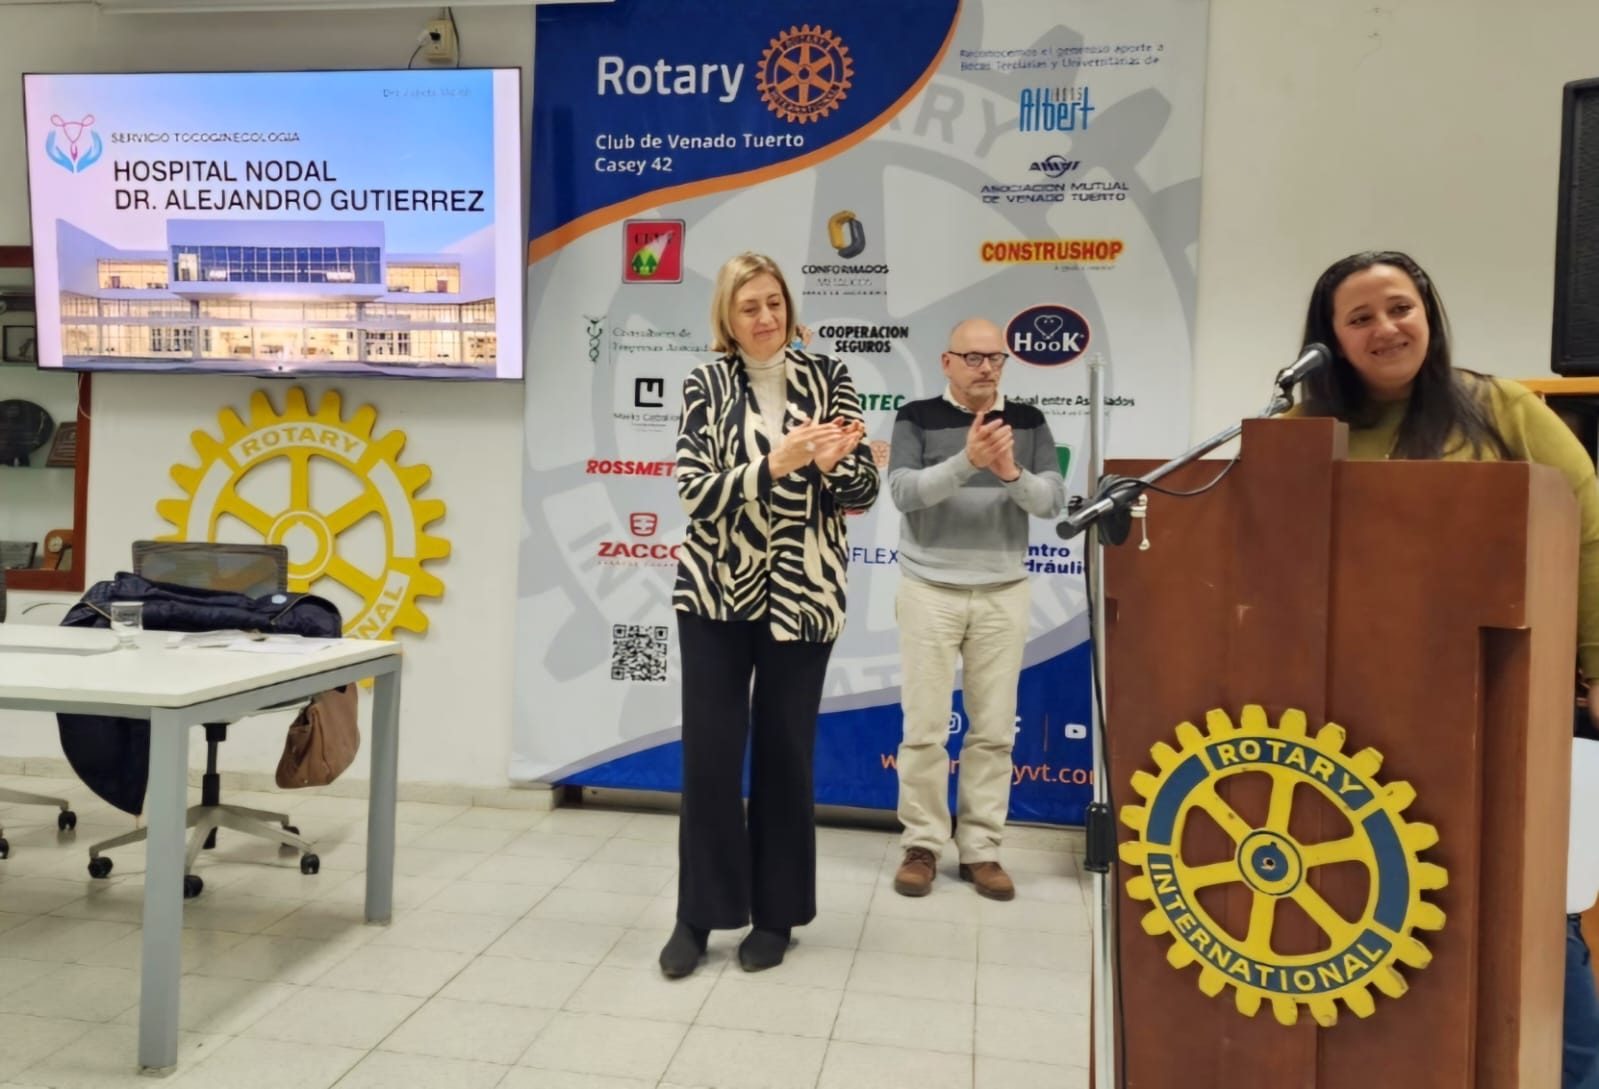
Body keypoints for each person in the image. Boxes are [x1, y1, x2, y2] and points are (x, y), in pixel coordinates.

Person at [1295, 250, 1599, 1089]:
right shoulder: (1300, 427)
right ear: (1329, 341)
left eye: (1399, 307)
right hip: (1351, 723)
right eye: (1359, 319)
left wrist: (1595, 661)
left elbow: (1586, 523)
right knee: (1387, 912)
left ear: (1427, 312)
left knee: (1535, 914)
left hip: (1504, 705)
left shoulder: (1496, 407)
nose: (1385, 328)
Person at [660, 252, 879, 979]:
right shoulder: (704, 382)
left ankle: (777, 914)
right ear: (727, 315)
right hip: (716, 593)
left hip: (803, 592)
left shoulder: (828, 378)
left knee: (786, 753)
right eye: (749, 305)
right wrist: (775, 464)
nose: (764, 318)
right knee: (711, 757)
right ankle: (698, 915)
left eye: (774, 303)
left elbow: (863, 487)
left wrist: (830, 465)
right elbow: (696, 493)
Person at [886, 318, 1067, 901]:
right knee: (925, 730)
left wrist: (1007, 469)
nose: (986, 367)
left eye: (995, 358)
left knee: (992, 732)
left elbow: (1052, 502)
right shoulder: (915, 416)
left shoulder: (1029, 422)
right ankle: (921, 844)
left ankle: (982, 850)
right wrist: (967, 459)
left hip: (1001, 591)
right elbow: (904, 494)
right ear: (947, 361)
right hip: (928, 589)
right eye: (973, 357)